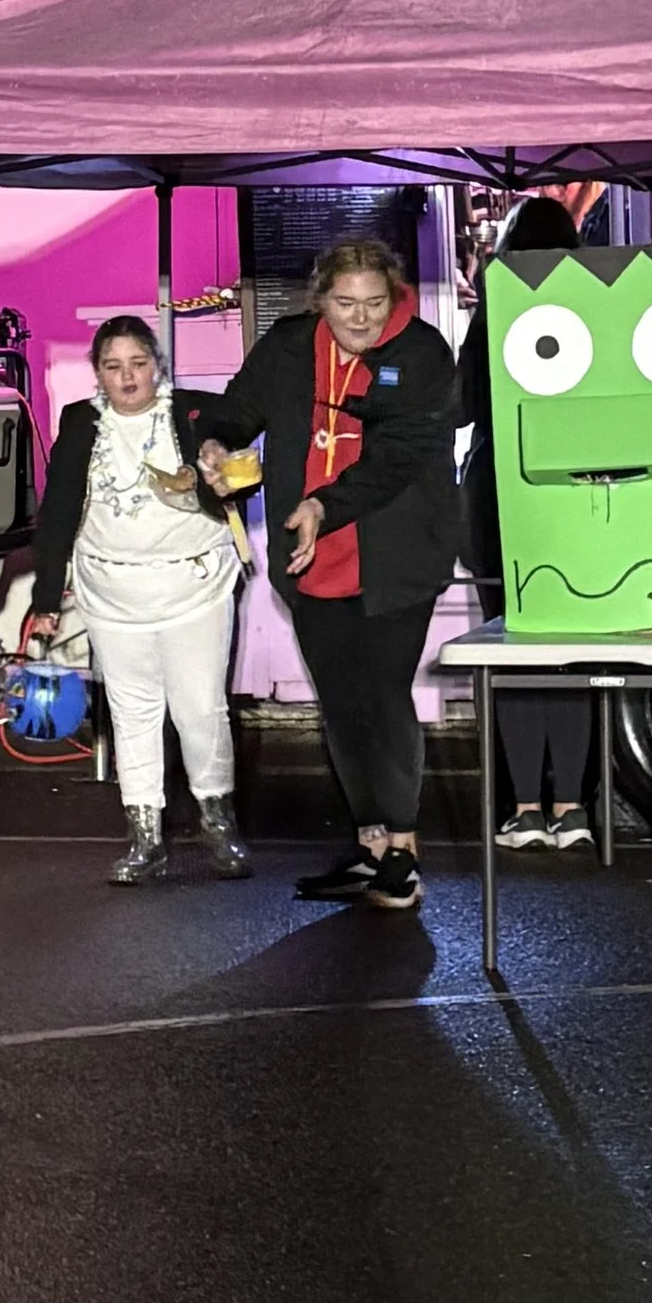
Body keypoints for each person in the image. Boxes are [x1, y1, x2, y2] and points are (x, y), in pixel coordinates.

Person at [196, 233, 458, 912]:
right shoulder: (288, 346)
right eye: (345, 303)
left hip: (394, 553)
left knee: (384, 692)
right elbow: (236, 404)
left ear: (394, 298)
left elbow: (398, 455)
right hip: (308, 556)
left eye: (374, 302)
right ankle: (369, 843)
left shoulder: (422, 352)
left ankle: (403, 850)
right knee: (340, 703)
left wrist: (322, 503)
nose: (361, 318)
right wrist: (216, 441)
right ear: (322, 300)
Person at [25, 314, 249, 887]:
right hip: (112, 593)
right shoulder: (80, 423)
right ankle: (145, 838)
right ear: (97, 373)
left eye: (138, 364)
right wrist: (46, 598)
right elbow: (57, 515)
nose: (128, 378)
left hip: (194, 587)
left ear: (158, 366)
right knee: (132, 713)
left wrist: (219, 468)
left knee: (199, 707)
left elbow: (244, 470)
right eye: (113, 366)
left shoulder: (198, 412)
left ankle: (217, 821)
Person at [458, 195, 596, 852]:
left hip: (494, 492)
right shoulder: (594, 309)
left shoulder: (497, 306)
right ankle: (571, 807)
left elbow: (460, 405)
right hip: (570, 492)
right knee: (567, 648)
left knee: (511, 650)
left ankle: (524, 808)